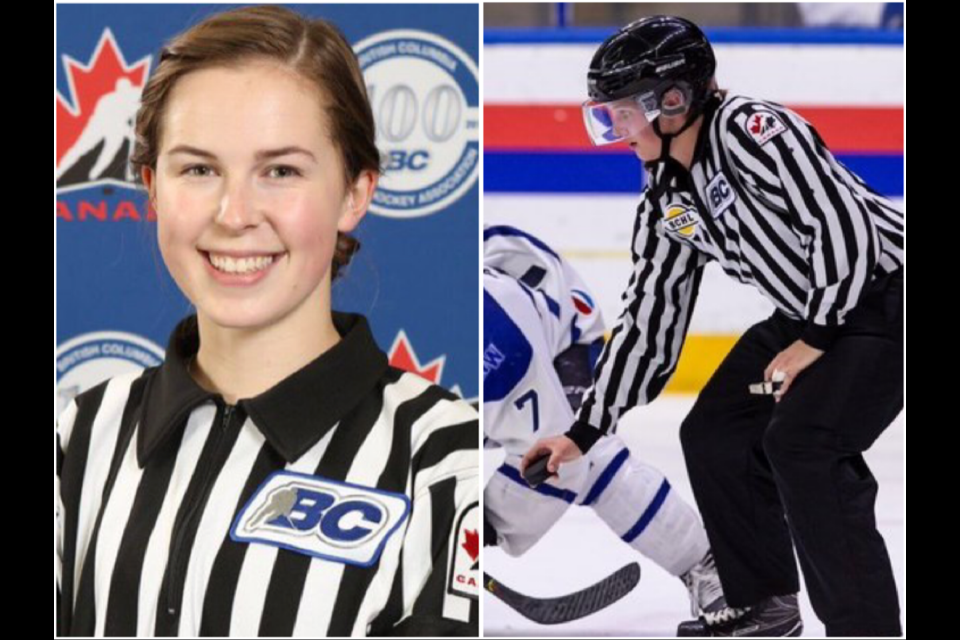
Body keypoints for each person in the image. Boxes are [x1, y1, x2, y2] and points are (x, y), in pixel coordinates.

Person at [55, 6, 478, 636]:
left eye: (280, 171)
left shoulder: (448, 458)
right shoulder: (76, 439)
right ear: (151, 186)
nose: (235, 213)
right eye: (199, 169)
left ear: (355, 192)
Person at [523, 15, 903, 637]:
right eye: (608, 115)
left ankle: (865, 629)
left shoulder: (755, 131)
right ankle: (765, 604)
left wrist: (816, 339)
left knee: (805, 445)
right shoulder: (668, 192)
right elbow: (652, 315)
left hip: (886, 303)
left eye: (622, 111)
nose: (616, 129)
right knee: (717, 430)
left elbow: (845, 227)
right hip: (812, 318)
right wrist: (585, 429)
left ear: (672, 99)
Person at [484, 226, 742, 629]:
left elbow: (556, 462)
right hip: (506, 325)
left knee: (589, 455)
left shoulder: (496, 336)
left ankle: (713, 570)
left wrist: (488, 521)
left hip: (560, 339)